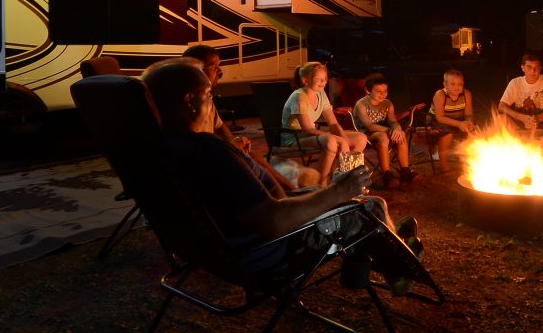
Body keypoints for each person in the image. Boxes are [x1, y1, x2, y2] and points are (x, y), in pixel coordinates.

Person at [142, 59, 425, 289]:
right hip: (266, 253)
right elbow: (274, 221)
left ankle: (385, 248)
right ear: (191, 101)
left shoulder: (159, 149)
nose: (213, 104)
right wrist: (339, 191)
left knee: (332, 200)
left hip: (209, 252)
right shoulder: (208, 152)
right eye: (209, 96)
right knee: (369, 206)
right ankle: (401, 264)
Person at [180, 44, 291, 193]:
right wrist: (230, 146)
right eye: (213, 66)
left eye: (219, 66)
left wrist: (235, 141)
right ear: (196, 70)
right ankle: (280, 199)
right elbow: (198, 141)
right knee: (247, 161)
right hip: (204, 163)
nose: (219, 72)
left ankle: (289, 192)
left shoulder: (207, 99)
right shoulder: (188, 101)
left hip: (216, 152)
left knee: (249, 154)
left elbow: (220, 128)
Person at [283, 60, 369, 183]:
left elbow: (333, 123)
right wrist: (338, 139)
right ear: (305, 80)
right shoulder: (299, 96)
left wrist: (343, 138)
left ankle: (341, 176)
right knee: (331, 141)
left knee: (360, 138)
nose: (323, 82)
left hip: (309, 136)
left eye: (325, 78)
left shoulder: (321, 94)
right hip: (294, 139)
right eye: (319, 79)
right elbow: (307, 129)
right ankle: (320, 184)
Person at [352, 74, 416, 187]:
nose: (383, 94)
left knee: (400, 135)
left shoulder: (387, 103)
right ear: (368, 91)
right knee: (383, 137)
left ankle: (405, 171)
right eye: (378, 91)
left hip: (383, 131)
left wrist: (397, 128)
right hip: (365, 133)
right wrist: (390, 130)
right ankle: (386, 175)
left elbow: (392, 121)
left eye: (385, 91)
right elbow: (370, 126)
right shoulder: (361, 104)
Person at [495, 53, 543, 148]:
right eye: (529, 67)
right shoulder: (515, 83)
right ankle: (508, 153)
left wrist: (540, 117)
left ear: (541, 68)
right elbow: (501, 106)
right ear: (522, 68)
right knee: (500, 119)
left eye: (536, 67)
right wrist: (520, 117)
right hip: (520, 121)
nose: (533, 71)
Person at [428, 69, 476, 168]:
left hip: (458, 119)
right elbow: (440, 117)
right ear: (445, 85)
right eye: (453, 84)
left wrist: (469, 123)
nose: (457, 87)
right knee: (447, 134)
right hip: (436, 121)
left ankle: (466, 161)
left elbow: (468, 114)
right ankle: (444, 165)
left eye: (460, 84)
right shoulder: (440, 95)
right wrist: (459, 124)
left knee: (472, 132)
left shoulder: (466, 94)